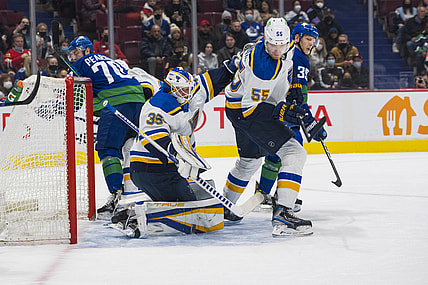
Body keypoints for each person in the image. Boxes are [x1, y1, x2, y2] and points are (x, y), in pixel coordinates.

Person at [222, 18, 322, 236]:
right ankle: (284, 213)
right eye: (272, 46)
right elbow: (251, 109)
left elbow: (281, 78)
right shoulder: (262, 68)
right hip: (246, 111)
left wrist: (291, 91)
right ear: (265, 41)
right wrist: (284, 111)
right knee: (294, 151)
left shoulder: (279, 49)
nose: (277, 50)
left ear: (288, 41)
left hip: (235, 106)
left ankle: (225, 207)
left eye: (281, 45)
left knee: (249, 162)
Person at [120, 61, 239, 237]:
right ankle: (136, 219)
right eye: (184, 90)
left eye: (189, 89)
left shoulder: (189, 92)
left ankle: (143, 210)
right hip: (151, 169)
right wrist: (178, 158)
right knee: (194, 212)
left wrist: (234, 65)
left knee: (195, 195)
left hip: (167, 170)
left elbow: (212, 80)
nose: (189, 94)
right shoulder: (158, 105)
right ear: (172, 88)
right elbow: (154, 142)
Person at [256, 22, 327, 230]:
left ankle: (263, 193)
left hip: (275, 108)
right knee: (294, 151)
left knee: (274, 155)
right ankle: (282, 201)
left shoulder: (289, 54)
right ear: (295, 38)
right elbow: (299, 95)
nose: (311, 43)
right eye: (307, 38)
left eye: (313, 40)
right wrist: (308, 118)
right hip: (285, 111)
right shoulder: (299, 58)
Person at [68, 35, 146, 218]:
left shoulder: (80, 65)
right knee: (127, 147)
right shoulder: (112, 61)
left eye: (76, 53)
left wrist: (58, 109)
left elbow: (77, 100)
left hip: (117, 102)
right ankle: (131, 194)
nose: (73, 58)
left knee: (107, 148)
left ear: (87, 50)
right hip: (138, 100)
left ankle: (116, 198)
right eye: (71, 55)